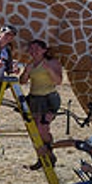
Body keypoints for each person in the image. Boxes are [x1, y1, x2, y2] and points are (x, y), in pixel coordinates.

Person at [20, 39, 62, 170]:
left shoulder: (53, 62)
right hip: (34, 100)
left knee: (42, 129)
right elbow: (22, 81)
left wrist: (48, 69)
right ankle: (42, 158)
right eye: (31, 49)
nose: (33, 51)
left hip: (49, 99)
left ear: (44, 50)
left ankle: (49, 154)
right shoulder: (30, 64)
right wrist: (26, 72)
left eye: (36, 49)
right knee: (34, 131)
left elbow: (58, 81)